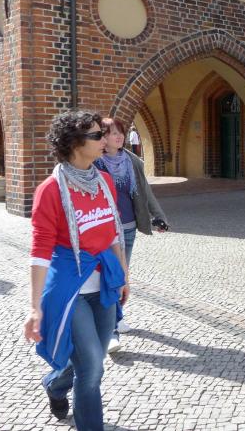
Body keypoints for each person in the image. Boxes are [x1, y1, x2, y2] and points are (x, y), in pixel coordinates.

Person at [23, 110, 129, 430]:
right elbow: (40, 250)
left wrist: (123, 276)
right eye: (96, 135)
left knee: (91, 358)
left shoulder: (104, 181)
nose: (104, 140)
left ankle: (55, 384)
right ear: (74, 143)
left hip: (104, 282)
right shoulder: (51, 190)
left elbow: (113, 233)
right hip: (71, 289)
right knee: (93, 368)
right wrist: (34, 307)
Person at [94, 117, 168, 353]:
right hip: (106, 229)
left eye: (121, 132)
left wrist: (158, 216)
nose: (119, 136)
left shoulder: (132, 161)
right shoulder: (95, 163)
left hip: (128, 227)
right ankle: (111, 328)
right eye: (112, 133)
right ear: (103, 137)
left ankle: (116, 316)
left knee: (121, 275)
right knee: (111, 275)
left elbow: (145, 191)